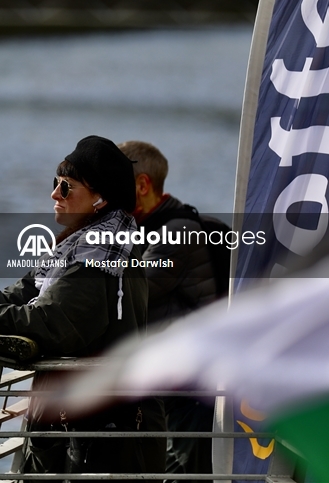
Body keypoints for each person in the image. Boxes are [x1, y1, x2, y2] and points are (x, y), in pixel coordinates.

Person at [0, 135, 164, 477]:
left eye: (67, 187)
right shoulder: (81, 247)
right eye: (55, 183)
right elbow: (16, 301)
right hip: (80, 430)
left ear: (100, 199)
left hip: (98, 438)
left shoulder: (98, 256)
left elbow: (48, 323)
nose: (54, 194)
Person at [118, 140, 216, 483]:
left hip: (190, 379)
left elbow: (130, 291)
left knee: (181, 470)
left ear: (142, 185)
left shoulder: (176, 233)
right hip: (167, 377)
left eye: (115, 185)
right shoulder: (144, 228)